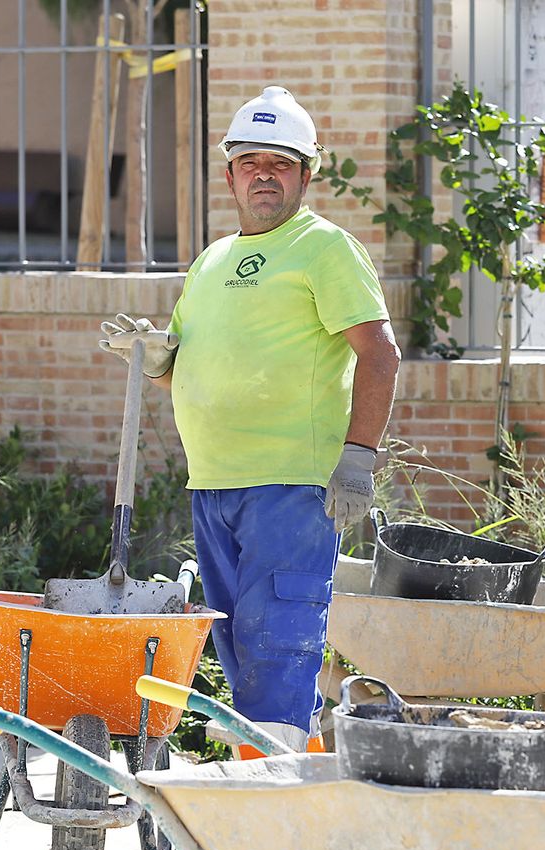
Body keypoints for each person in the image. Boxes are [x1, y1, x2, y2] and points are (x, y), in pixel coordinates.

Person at [100, 85, 401, 755]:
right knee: (246, 655)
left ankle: (269, 811)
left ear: (305, 174)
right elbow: (186, 367)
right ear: (230, 172)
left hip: (289, 490)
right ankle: (288, 780)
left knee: (279, 642)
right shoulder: (208, 263)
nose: (265, 174)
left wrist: (359, 457)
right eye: (252, 161)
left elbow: (380, 355)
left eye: (282, 163)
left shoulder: (324, 249)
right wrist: (152, 358)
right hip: (212, 487)